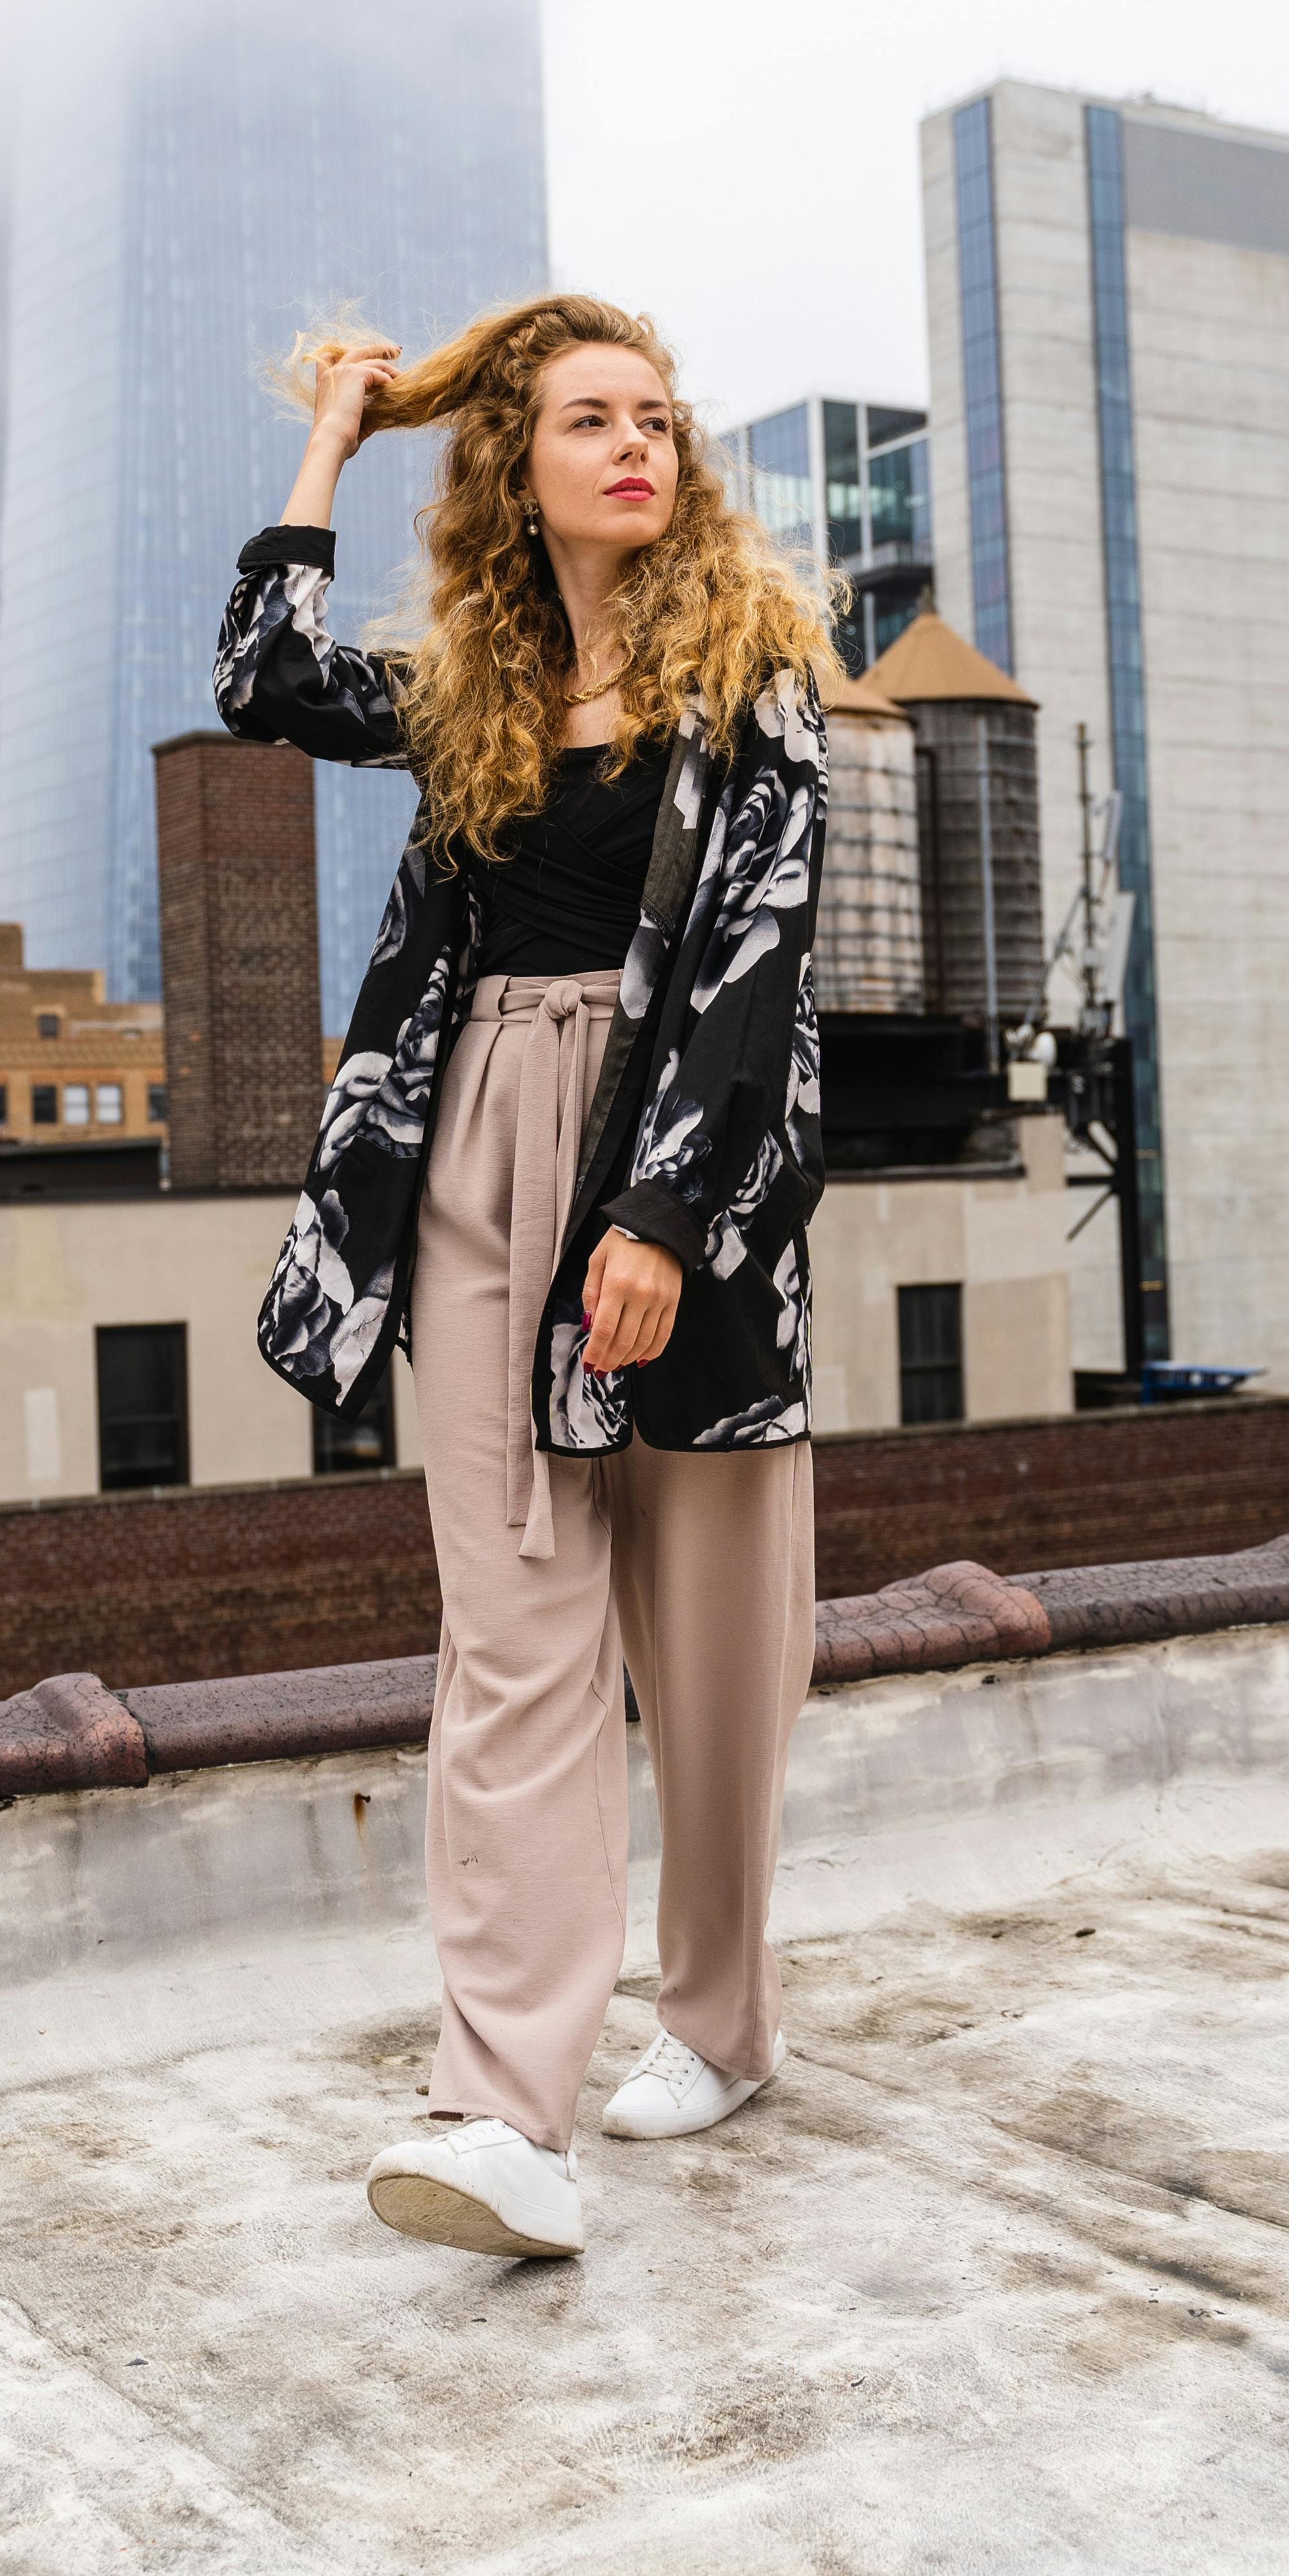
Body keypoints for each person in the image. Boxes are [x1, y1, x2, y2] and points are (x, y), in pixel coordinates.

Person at [213, 293, 836, 2260]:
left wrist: (655, 1217)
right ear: (523, 466)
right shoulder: (473, 682)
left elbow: (757, 962)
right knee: (514, 1633)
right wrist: (338, 428)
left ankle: (721, 2021)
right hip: (476, 1145)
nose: (638, 446)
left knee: (720, 1656)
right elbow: (265, 675)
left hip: (686, 1169)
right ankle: (507, 2114)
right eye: (590, 420)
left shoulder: (756, 673)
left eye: (657, 417)